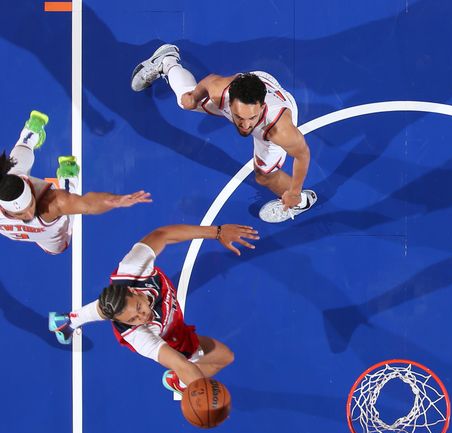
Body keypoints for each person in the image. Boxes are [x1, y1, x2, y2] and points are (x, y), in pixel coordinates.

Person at [48, 223, 259, 396]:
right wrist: (202, 395)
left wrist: (218, 232)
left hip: (143, 301)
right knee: (224, 357)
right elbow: (180, 363)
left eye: (139, 307)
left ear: (134, 290)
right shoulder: (138, 335)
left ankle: (67, 321)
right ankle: (178, 383)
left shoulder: (133, 269)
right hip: (171, 334)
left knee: (109, 306)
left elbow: (163, 234)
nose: (143, 316)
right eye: (134, 318)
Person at [130, 44, 317, 223]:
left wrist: (294, 192)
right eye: (238, 117)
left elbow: (302, 155)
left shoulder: (280, 130)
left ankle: (301, 201)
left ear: (262, 106)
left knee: (263, 177)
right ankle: (167, 61)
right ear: (230, 102)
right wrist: (193, 98)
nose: (245, 125)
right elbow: (209, 80)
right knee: (184, 101)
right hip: (249, 82)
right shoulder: (220, 91)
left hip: (270, 110)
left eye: (251, 118)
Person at [0, 110, 152, 254]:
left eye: (30, 204)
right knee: (14, 167)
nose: (29, 214)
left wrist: (116, 201)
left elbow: (87, 205)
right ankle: (31, 132)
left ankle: (68, 178)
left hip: (50, 233)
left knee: (60, 241)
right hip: (12, 187)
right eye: (20, 212)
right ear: (5, 210)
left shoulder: (51, 205)